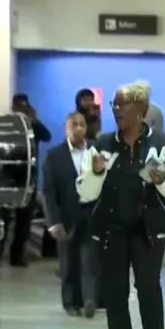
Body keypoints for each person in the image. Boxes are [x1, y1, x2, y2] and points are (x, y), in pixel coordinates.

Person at [75, 81, 165, 329]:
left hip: (148, 228)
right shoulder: (101, 143)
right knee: (115, 293)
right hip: (111, 229)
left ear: (141, 110)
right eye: (114, 104)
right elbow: (86, 192)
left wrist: (163, 178)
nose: (116, 109)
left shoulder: (162, 144)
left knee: (149, 289)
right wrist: (96, 172)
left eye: (122, 104)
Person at [43, 112, 100, 318]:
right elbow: (48, 191)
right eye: (73, 124)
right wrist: (53, 221)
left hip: (92, 213)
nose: (78, 128)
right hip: (66, 217)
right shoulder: (54, 155)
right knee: (69, 262)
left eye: (82, 124)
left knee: (91, 260)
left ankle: (90, 299)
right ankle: (71, 302)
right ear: (65, 129)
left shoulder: (97, 151)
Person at [7, 93, 52, 267]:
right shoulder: (8, 124)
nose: (20, 110)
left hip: (28, 178)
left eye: (23, 106)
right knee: (6, 220)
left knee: (24, 220)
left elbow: (46, 136)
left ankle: (18, 255)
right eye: (18, 106)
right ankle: (6, 254)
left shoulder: (33, 126)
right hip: (9, 177)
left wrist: (34, 120)